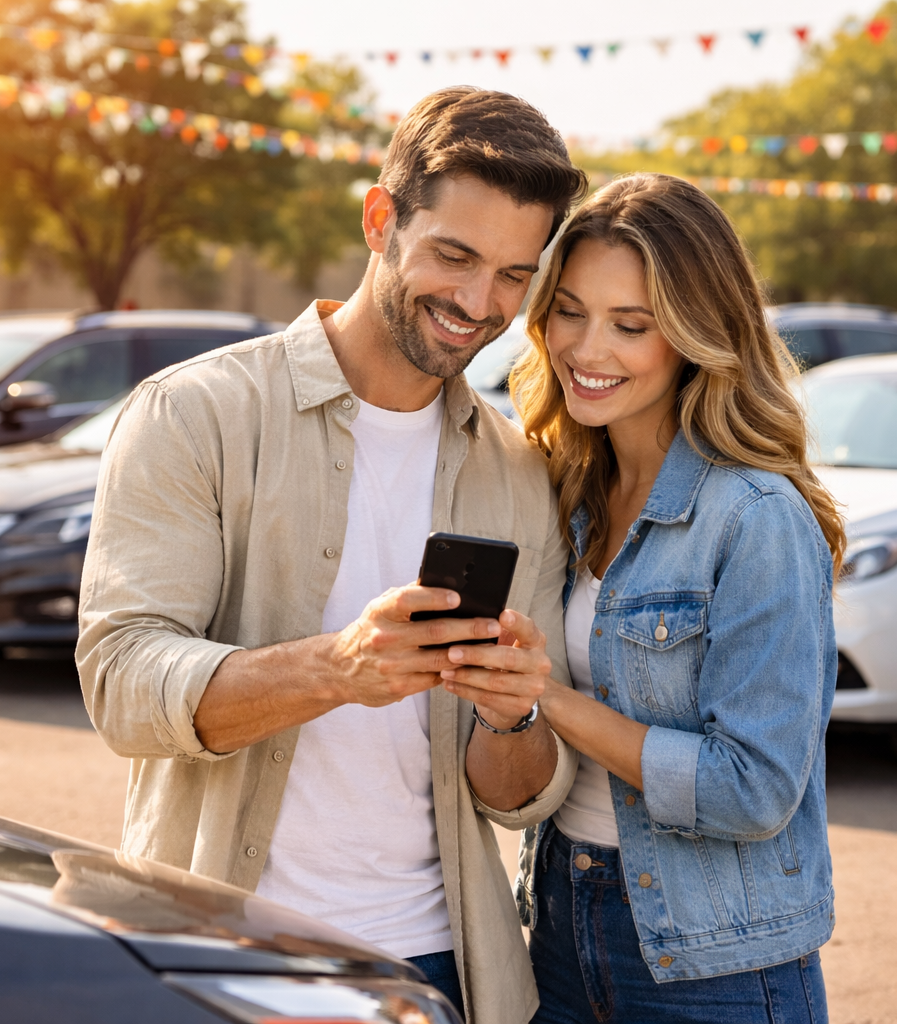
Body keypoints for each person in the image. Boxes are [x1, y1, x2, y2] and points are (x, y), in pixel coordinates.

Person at [75, 87, 590, 1024]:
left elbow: (521, 800)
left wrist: (515, 717)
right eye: (455, 256)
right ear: (380, 219)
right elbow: (121, 683)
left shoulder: (522, 476)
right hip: (223, 952)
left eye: (515, 276)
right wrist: (335, 668)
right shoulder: (194, 414)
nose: (481, 305)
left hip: (442, 973)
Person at [493, 172, 844, 1022]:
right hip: (558, 919)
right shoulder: (566, 490)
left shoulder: (755, 517)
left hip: (713, 959)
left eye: (631, 325)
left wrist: (548, 699)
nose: (587, 348)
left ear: (694, 335)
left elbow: (753, 790)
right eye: (569, 310)